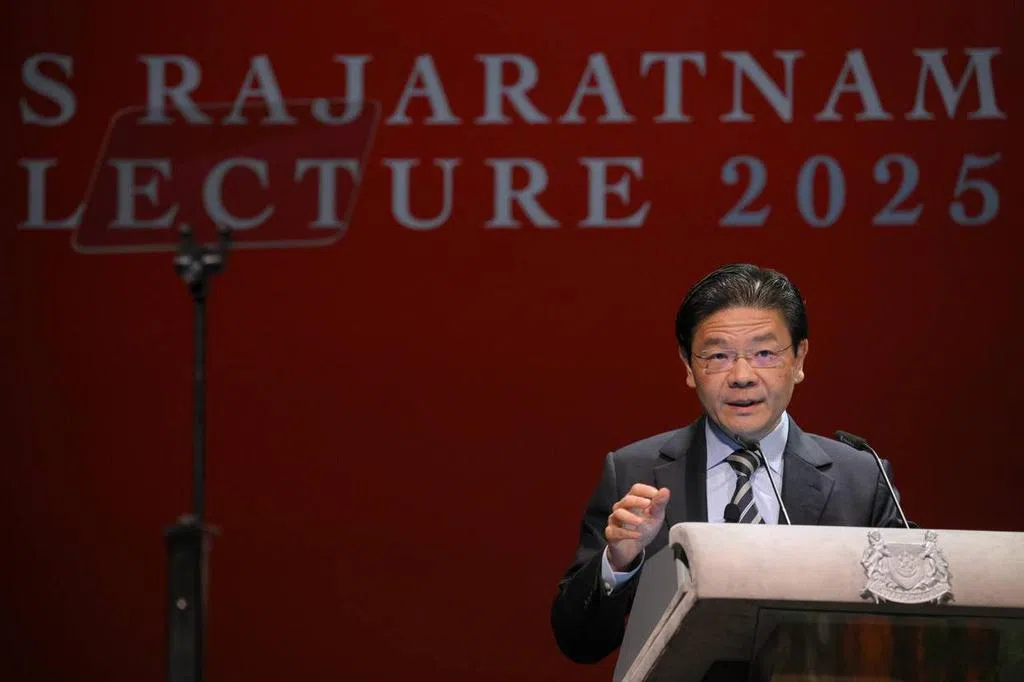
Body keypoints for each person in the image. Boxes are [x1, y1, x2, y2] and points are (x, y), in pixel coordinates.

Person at [550, 263, 907, 666]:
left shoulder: (861, 478)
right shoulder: (635, 472)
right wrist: (618, 562)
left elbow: (906, 627)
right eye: (718, 355)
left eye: (764, 353)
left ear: (799, 358)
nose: (742, 376)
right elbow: (579, 642)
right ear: (689, 366)